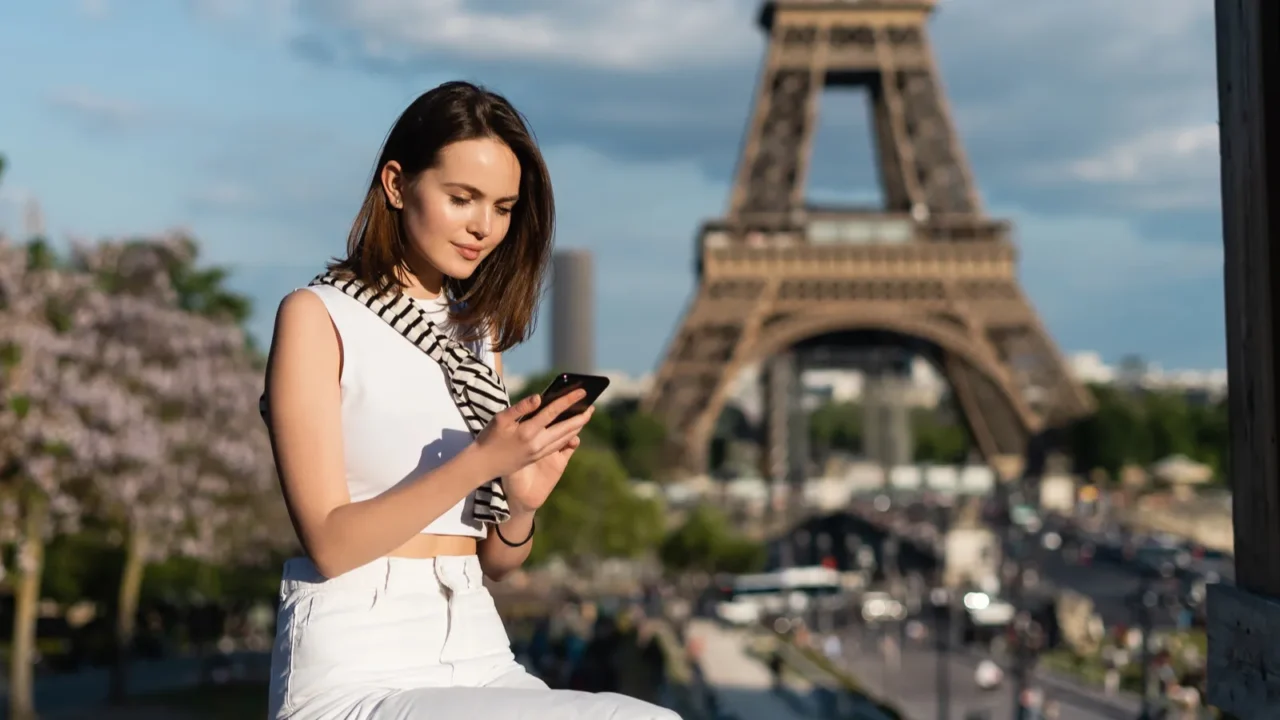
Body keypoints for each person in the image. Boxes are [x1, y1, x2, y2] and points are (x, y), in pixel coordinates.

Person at [261, 81, 680, 720]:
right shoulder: (317, 317)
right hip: (357, 660)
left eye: (503, 207)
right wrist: (483, 460)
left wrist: (521, 502)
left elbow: (499, 563)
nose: (484, 227)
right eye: (462, 198)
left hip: (478, 648)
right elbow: (330, 544)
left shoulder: (476, 335)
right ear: (397, 185)